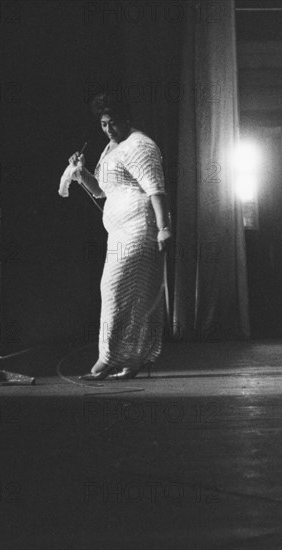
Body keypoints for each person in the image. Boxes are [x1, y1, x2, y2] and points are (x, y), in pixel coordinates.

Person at [69, 93, 172, 380]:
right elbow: (102, 190)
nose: (108, 129)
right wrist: (81, 174)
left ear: (127, 119)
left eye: (113, 123)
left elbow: (156, 190)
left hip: (140, 226)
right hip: (117, 232)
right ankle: (131, 360)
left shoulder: (140, 145)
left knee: (117, 290)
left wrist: (164, 228)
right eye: (103, 124)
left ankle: (108, 359)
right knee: (117, 292)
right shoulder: (110, 148)